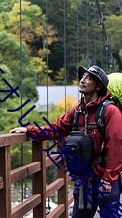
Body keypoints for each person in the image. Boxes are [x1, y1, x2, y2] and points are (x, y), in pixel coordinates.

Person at [9, 65, 122, 218]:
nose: (82, 80)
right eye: (82, 77)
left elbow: (116, 146)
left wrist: (108, 180)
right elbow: (57, 129)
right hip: (85, 180)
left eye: (88, 78)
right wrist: (30, 130)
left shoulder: (110, 111)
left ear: (99, 86)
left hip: (104, 179)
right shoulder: (77, 111)